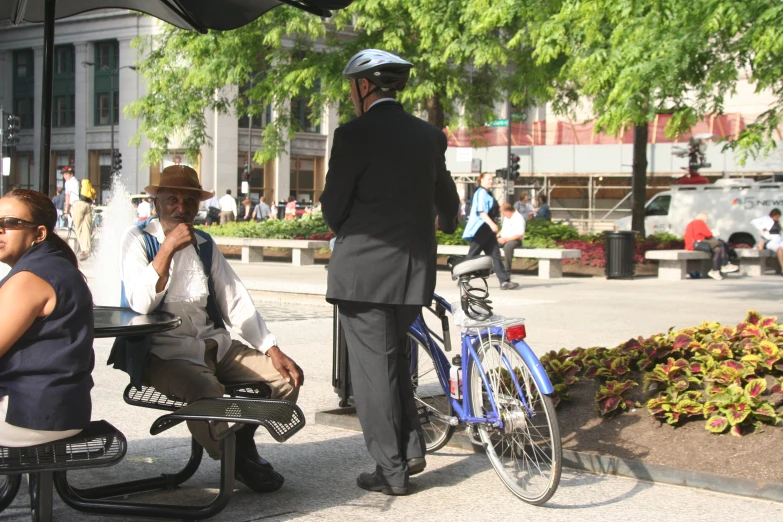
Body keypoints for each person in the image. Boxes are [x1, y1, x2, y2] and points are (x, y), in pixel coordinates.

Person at [321, 49, 459, 496]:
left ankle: (391, 471)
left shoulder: (352, 134)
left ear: (363, 87)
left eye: (351, 87)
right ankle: (412, 449)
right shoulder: (428, 136)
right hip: (413, 274)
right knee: (393, 362)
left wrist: (351, 230)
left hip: (364, 274)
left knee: (372, 375)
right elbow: (449, 204)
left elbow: (333, 208)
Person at [114, 165, 303, 493]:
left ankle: (242, 443)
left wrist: (271, 348)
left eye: (189, 201)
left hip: (214, 344)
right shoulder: (139, 239)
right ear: (156, 201)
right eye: (172, 198)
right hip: (163, 355)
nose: (181, 207)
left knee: (286, 377)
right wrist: (167, 248)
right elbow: (140, 303)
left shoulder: (204, 243)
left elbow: (235, 298)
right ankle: (234, 461)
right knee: (205, 393)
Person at [0, 190, 94, 447]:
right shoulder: (55, 265)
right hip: (60, 411)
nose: (0, 229)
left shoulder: (31, 277)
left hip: (29, 414)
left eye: (10, 223)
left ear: (39, 234)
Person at [463, 172, 519, 290]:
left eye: (492, 179)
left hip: (487, 228)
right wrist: (492, 224)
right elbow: (481, 211)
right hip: (481, 227)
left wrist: (492, 225)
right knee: (473, 254)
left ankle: (504, 281)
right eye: (488, 179)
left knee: (495, 255)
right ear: (481, 180)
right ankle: (464, 278)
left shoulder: (487, 193)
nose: (491, 181)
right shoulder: (481, 192)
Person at [684, 211, 739, 280]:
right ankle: (725, 264)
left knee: (718, 249)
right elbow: (708, 234)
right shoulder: (700, 222)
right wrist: (713, 233)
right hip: (697, 243)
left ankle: (715, 271)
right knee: (720, 243)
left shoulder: (691, 223)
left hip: (692, 244)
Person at [497, 203, 526, 274]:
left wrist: (506, 240)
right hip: (504, 238)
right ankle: (496, 266)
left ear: (508, 211)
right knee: (492, 245)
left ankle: (507, 270)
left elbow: (520, 234)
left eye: (503, 213)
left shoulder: (519, 218)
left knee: (508, 247)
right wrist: (497, 235)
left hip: (515, 240)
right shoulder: (507, 218)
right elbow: (503, 229)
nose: (503, 214)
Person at [753, 208, 783, 273]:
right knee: (780, 249)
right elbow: (755, 222)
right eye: (777, 217)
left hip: (779, 240)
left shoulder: (777, 222)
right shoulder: (766, 221)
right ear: (773, 215)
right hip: (770, 241)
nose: (777, 218)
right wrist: (762, 228)